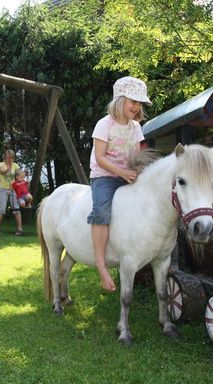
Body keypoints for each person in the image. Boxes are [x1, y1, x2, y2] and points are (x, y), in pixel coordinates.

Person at [88, 76, 151, 292]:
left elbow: (135, 156)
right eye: (133, 101)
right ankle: (101, 264)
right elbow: (100, 158)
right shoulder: (104, 124)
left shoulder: (135, 127)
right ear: (119, 100)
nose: (136, 107)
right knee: (102, 212)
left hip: (125, 175)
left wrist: (139, 171)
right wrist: (123, 173)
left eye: (139, 103)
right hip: (104, 176)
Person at [0, 149, 24, 235]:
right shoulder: (1, 164)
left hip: (13, 189)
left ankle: (20, 229)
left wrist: (23, 175)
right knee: (2, 209)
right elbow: (1, 172)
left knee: (16, 208)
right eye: (8, 158)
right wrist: (6, 170)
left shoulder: (15, 165)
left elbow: (19, 175)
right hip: (3, 189)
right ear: (5, 157)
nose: (10, 160)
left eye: (11, 158)